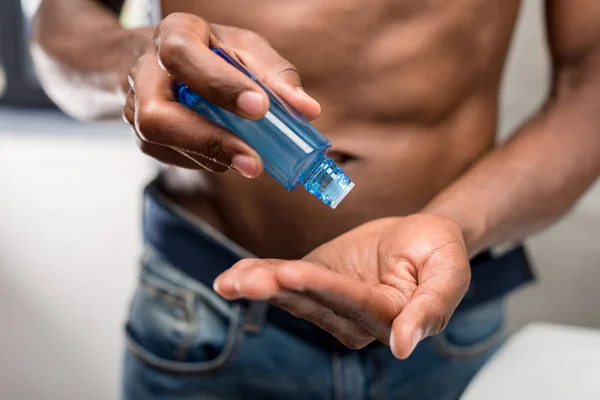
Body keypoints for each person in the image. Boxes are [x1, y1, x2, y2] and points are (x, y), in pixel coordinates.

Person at [31, 0, 600, 399]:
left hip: (443, 322)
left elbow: (590, 86)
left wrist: (453, 225)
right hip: (200, 311)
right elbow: (60, 19)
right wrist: (130, 60)